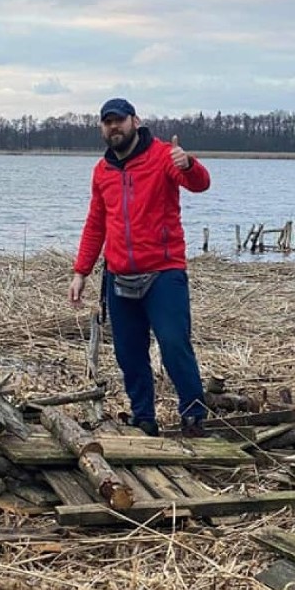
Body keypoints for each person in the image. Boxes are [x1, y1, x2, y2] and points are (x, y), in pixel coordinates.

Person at [69, 97, 210, 437]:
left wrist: (188, 163)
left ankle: (193, 415)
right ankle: (143, 417)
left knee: (174, 344)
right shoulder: (102, 171)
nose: (113, 127)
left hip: (164, 272)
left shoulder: (163, 155)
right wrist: (81, 271)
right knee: (129, 353)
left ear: (135, 121)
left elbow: (200, 184)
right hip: (118, 275)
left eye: (119, 120)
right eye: (107, 122)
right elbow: (96, 223)